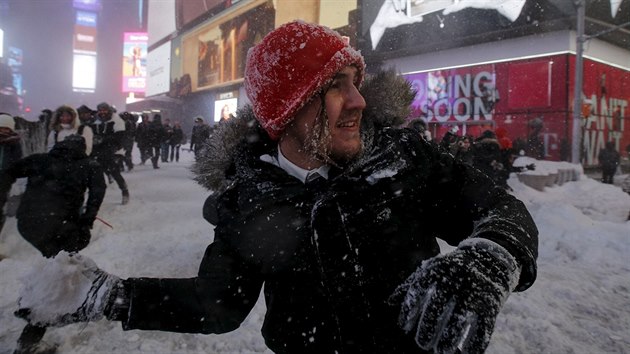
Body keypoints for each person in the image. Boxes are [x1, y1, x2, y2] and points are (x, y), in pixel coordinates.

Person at [15, 21, 538, 354]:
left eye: (354, 81)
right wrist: (113, 296)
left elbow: (498, 207)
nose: (357, 100)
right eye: (334, 87)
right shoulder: (247, 202)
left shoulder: (403, 158)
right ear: (286, 112)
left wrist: (491, 255)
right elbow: (215, 305)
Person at [0, 134, 106, 354]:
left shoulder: (40, 159)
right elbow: (98, 192)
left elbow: (8, 171)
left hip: (28, 224)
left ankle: (40, 305)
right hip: (61, 227)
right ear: (83, 149)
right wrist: (86, 222)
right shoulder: (89, 164)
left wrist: (3, 198)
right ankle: (30, 336)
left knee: (57, 265)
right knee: (57, 271)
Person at [0, 113, 22, 232]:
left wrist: (10, 176)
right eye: (1, 128)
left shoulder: (13, 143)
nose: (3, 130)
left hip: (4, 178)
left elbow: (16, 161)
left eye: (6, 128)